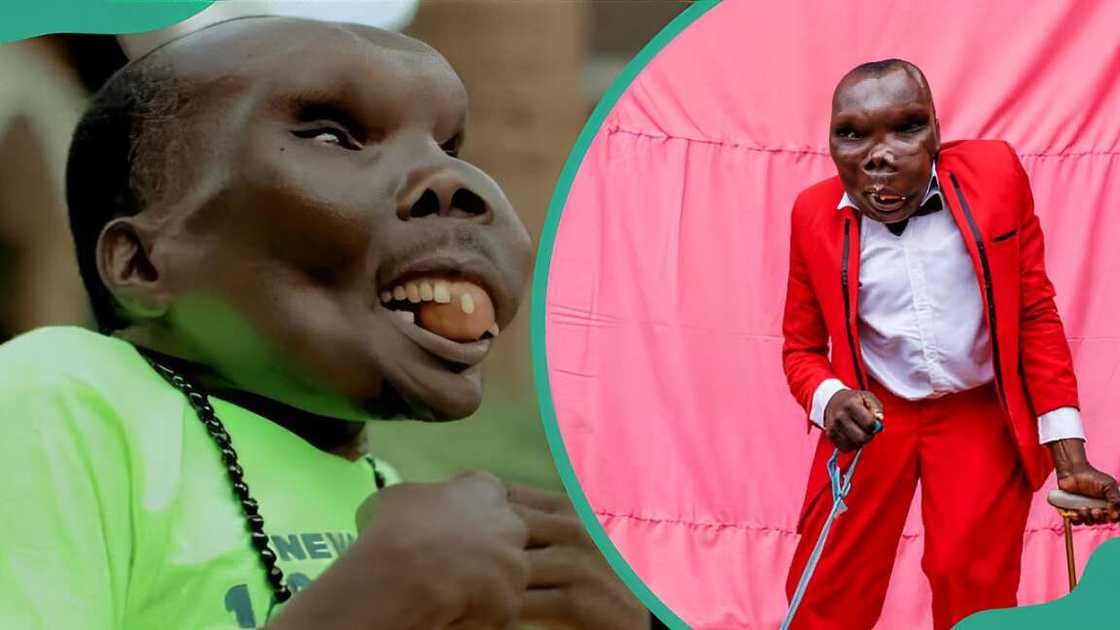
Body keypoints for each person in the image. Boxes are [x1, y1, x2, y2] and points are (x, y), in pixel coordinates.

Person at [0, 17, 647, 629]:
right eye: (334, 136)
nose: (454, 181)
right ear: (143, 262)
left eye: (450, 144)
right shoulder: (59, 398)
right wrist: (372, 603)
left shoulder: (403, 507)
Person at [780, 58, 1120, 629]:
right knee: (829, 582)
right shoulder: (813, 213)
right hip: (876, 411)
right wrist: (830, 398)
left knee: (974, 583)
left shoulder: (996, 176)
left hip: (978, 411)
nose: (880, 156)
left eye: (906, 128)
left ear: (937, 131)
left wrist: (1070, 454)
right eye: (852, 135)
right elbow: (800, 349)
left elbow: (1034, 313)